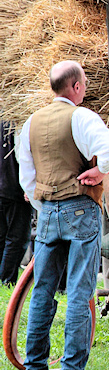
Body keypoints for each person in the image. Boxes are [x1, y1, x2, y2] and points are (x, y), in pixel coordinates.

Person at [18, 60, 109, 370]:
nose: (86, 88)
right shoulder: (82, 116)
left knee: (42, 291)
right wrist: (101, 170)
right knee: (79, 291)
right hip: (80, 209)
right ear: (75, 87)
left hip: (47, 212)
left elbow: (27, 178)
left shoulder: (31, 123)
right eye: (85, 83)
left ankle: (35, 369)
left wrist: (41, 202)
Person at [1, 120, 33, 286]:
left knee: (3, 236)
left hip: (4, 185)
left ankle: (5, 278)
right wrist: (28, 186)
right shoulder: (19, 120)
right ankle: (7, 280)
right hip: (15, 188)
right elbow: (23, 156)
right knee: (17, 238)